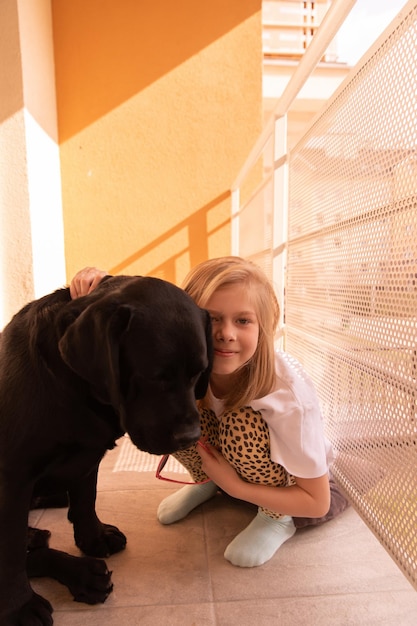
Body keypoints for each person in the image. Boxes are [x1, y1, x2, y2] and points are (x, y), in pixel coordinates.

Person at [70, 258, 347, 568]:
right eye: (213, 318)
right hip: (230, 471)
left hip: (296, 491)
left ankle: (276, 520)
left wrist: (235, 487)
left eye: (243, 321)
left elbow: (317, 502)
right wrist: (96, 282)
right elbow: (147, 302)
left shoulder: (287, 395)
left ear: (264, 327)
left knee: (243, 423)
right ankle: (206, 482)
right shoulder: (190, 362)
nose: (225, 333)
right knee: (174, 414)